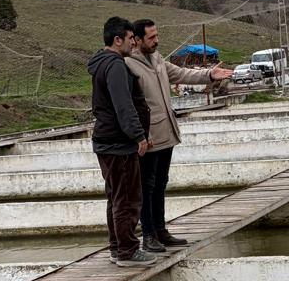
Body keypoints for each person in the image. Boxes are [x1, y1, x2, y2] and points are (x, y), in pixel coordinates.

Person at [125, 18, 233, 252]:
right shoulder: (129, 65)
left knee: (161, 183)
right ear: (137, 39)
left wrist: (210, 75)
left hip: (167, 131)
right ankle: (149, 234)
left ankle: (161, 230)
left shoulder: (157, 59)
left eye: (157, 35)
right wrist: (140, 135)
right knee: (147, 185)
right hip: (149, 136)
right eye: (151, 37)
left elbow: (182, 74)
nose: (156, 40)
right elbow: (131, 106)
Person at [86, 17, 155, 265]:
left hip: (108, 140)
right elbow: (123, 105)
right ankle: (127, 250)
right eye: (129, 38)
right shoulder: (114, 65)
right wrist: (138, 135)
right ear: (118, 40)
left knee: (116, 196)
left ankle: (117, 246)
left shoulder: (103, 64)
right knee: (127, 197)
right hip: (118, 142)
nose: (133, 43)